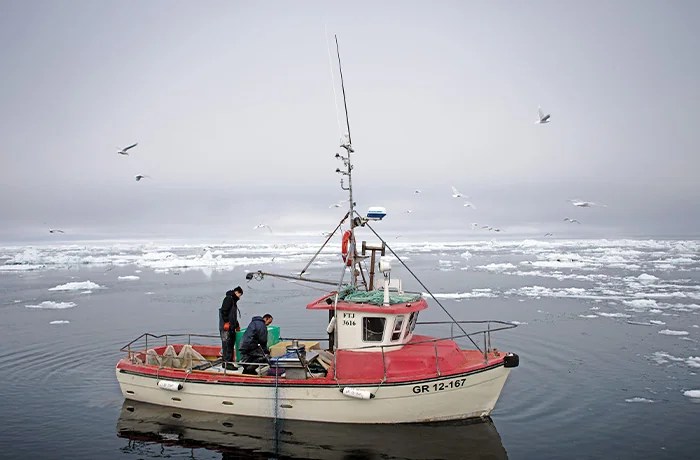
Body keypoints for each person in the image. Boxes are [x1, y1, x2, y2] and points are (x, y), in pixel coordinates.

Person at [219, 286, 243, 370]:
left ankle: (229, 361)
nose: (239, 297)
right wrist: (226, 322)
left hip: (232, 327)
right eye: (240, 295)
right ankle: (226, 363)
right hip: (226, 327)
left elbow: (233, 315)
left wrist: (236, 325)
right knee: (226, 344)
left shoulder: (233, 301)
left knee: (231, 343)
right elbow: (224, 311)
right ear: (237, 292)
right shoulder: (228, 299)